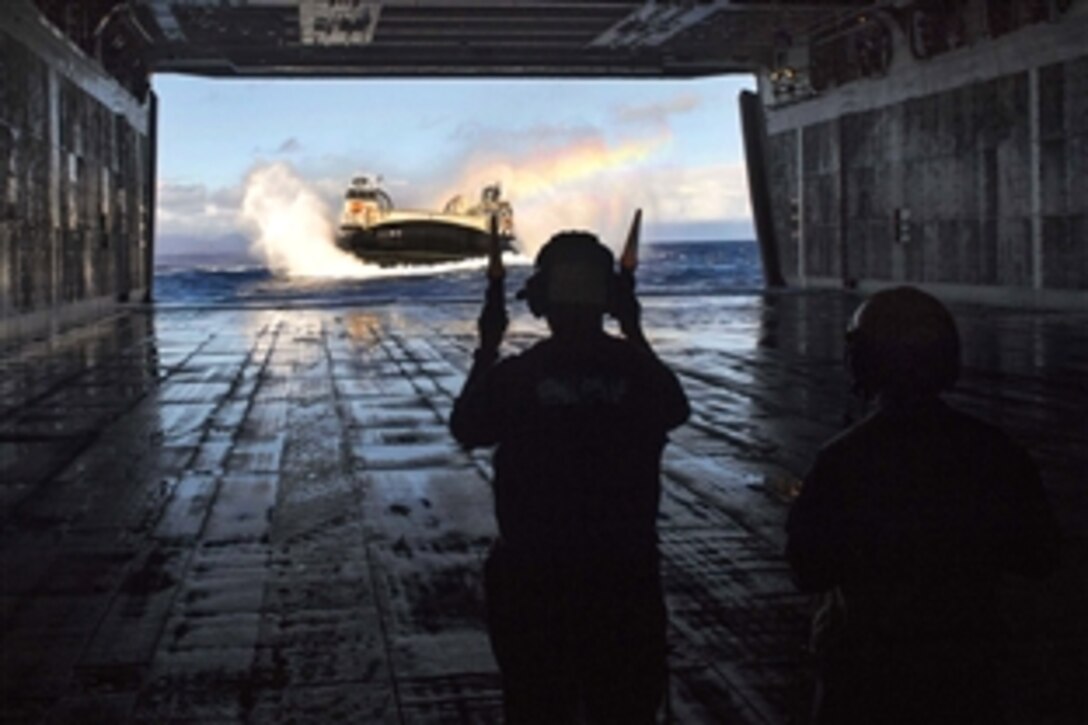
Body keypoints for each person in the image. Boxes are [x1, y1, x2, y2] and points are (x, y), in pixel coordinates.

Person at [785, 286, 1060, 725]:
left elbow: (808, 568)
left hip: (865, 674)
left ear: (863, 363)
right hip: (964, 670)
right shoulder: (993, 451)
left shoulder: (843, 460)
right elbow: (1040, 554)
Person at [450, 231, 689, 724]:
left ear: (539, 302)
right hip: (624, 575)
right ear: (611, 301)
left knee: (537, 704)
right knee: (625, 706)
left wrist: (487, 344)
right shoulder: (640, 374)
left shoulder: (516, 377)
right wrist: (634, 330)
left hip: (535, 581)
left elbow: (468, 427)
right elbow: (675, 409)